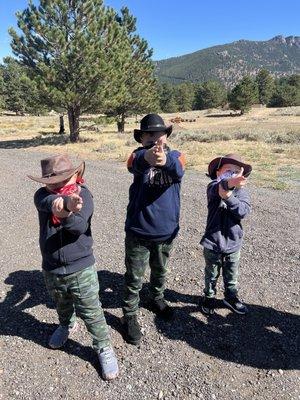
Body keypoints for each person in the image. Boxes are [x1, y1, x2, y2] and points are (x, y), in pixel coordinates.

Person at [28, 154, 119, 380]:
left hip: (81, 268)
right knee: (62, 303)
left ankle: (103, 347)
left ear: (75, 175)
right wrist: (60, 203)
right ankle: (67, 325)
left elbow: (78, 227)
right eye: (52, 183)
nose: (57, 186)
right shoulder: (43, 196)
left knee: (91, 311)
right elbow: (43, 201)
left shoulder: (84, 195)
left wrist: (67, 211)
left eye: (62, 180)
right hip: (51, 267)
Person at [122, 113, 186, 345]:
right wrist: (149, 157)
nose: (153, 137)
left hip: (166, 231)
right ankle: (129, 315)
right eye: (148, 134)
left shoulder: (177, 156)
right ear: (141, 138)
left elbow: (178, 170)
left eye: (157, 133)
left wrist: (164, 160)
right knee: (134, 277)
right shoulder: (138, 155)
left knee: (160, 270)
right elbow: (133, 164)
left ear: (165, 136)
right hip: (138, 230)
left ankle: (156, 298)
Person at [200, 153, 252, 315]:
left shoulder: (242, 193)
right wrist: (228, 184)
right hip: (213, 242)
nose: (232, 174)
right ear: (218, 173)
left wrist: (229, 197)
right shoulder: (213, 187)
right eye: (228, 170)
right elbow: (219, 188)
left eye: (237, 171)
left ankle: (231, 296)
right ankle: (209, 297)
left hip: (233, 243)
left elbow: (243, 211)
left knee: (231, 273)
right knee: (211, 273)